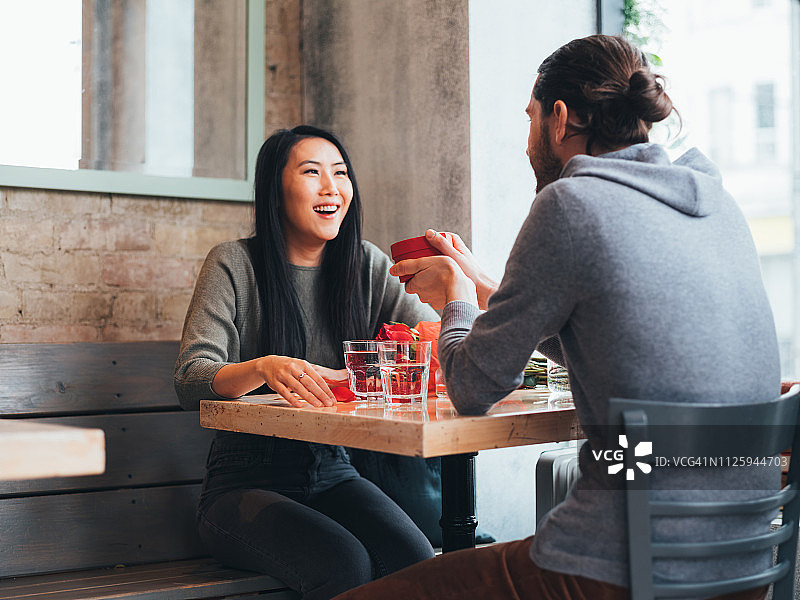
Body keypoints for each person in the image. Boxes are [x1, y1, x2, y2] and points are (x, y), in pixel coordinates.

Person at [332, 35, 780, 600]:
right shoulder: (716, 203)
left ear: (560, 118)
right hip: (743, 566)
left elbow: (472, 388)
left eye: (530, 118)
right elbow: (608, 340)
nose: (527, 142)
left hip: (625, 565)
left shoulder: (570, 204)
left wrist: (457, 296)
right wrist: (487, 288)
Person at [173, 125, 439, 600]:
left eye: (340, 173)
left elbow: (431, 340)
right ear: (276, 190)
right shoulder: (234, 263)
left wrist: (458, 288)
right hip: (242, 485)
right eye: (312, 172)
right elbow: (191, 378)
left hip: (335, 472)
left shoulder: (366, 266)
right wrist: (263, 367)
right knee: (345, 563)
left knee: (417, 562)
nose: (331, 187)